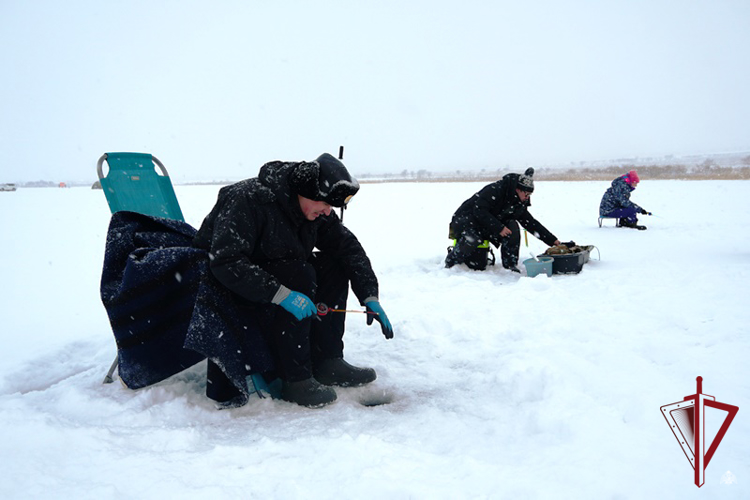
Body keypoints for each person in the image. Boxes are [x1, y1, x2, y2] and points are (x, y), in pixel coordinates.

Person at [192, 153, 394, 408]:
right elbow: (224, 261)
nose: (328, 212)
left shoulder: (315, 211)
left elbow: (348, 248)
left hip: (279, 273)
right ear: (306, 192)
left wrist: (369, 296)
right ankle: (295, 379)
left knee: (332, 265)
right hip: (228, 282)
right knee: (301, 272)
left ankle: (327, 361)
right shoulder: (247, 199)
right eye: (325, 204)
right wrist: (281, 294)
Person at [445, 167, 561, 272]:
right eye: (526, 194)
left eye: (529, 195)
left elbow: (531, 223)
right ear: (518, 189)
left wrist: (553, 241)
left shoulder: (518, 203)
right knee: (473, 239)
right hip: (466, 222)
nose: (527, 198)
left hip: (487, 224)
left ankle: (510, 265)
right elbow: (479, 210)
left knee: (512, 226)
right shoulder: (495, 190)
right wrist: (499, 228)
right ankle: (451, 261)